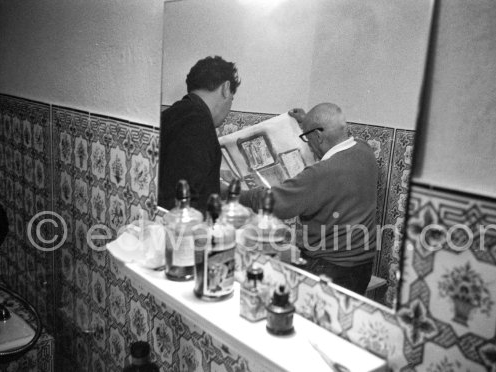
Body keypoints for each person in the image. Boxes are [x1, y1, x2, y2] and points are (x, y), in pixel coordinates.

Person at [239, 103, 378, 295]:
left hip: (329, 270)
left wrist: (234, 192)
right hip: (362, 268)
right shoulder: (365, 151)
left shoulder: (321, 173)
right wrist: (307, 123)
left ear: (319, 136)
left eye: (307, 138)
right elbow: (332, 129)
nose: (308, 145)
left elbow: (275, 203)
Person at [158, 56, 241, 212]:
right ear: (225, 88)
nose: (229, 106)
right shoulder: (198, 122)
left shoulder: (172, 114)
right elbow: (183, 200)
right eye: (232, 98)